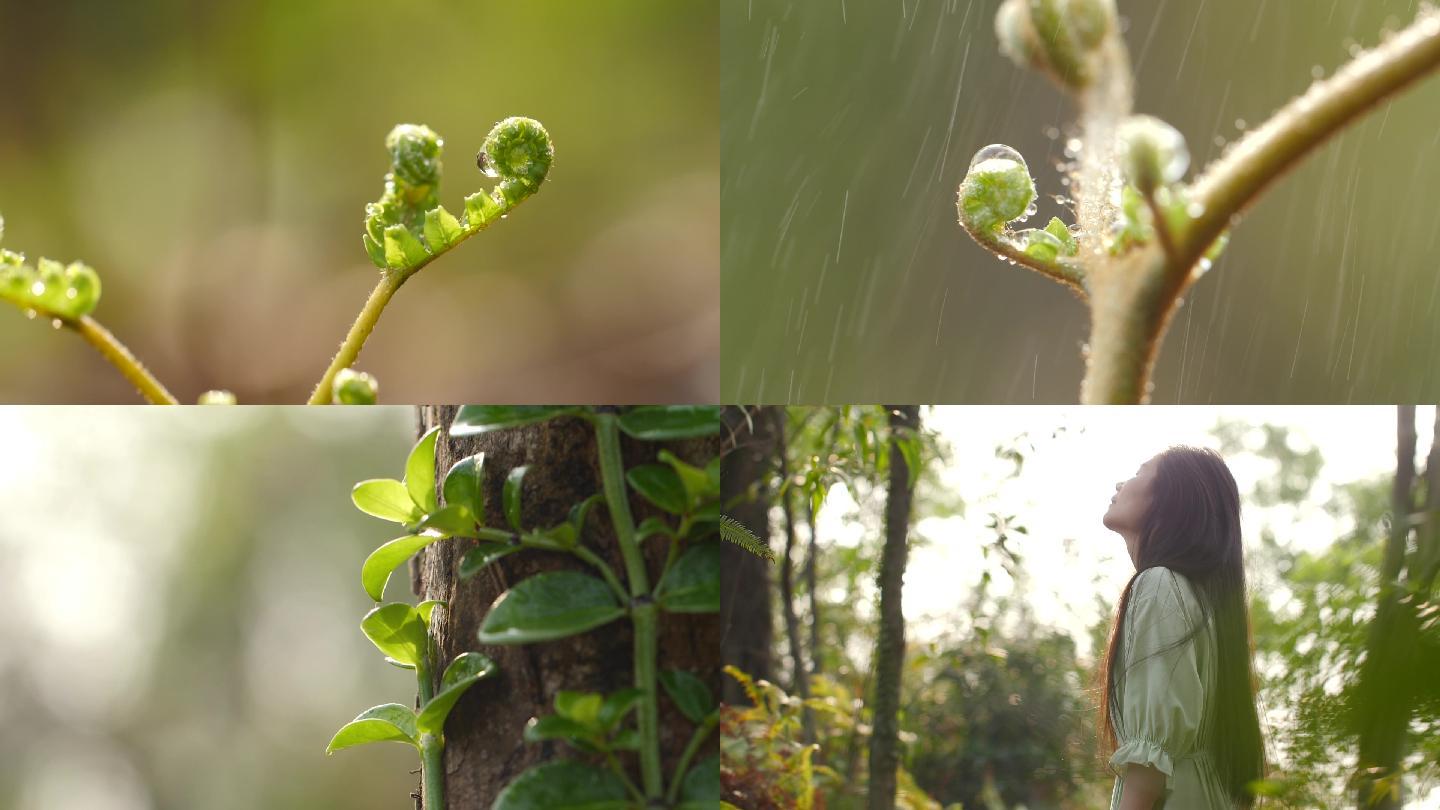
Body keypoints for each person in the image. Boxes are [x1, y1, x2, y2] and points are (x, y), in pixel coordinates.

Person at [1099, 446, 1266, 809]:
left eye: (1139, 471)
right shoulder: (1201, 604)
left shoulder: (1158, 585)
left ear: (1171, 499)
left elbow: (1148, 769)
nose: (1120, 483)